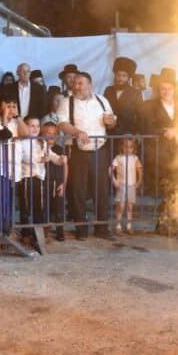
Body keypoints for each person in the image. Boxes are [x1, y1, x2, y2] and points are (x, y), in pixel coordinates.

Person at [57, 71, 117, 240]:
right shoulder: (66, 102)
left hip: (100, 151)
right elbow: (62, 123)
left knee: (101, 189)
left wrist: (111, 122)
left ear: (90, 85)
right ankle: (81, 229)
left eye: (81, 83)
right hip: (78, 152)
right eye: (75, 83)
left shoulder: (102, 100)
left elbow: (112, 121)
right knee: (78, 191)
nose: (77, 86)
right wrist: (77, 132)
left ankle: (102, 228)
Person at [140, 68, 178, 231]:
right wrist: (165, 132)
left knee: (177, 187)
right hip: (159, 154)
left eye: (169, 89)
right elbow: (146, 127)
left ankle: (170, 220)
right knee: (166, 188)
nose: (165, 92)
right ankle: (163, 222)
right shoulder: (150, 106)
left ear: (174, 90)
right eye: (162, 89)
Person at [15, 117, 63, 247]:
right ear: (26, 127)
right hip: (26, 178)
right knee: (25, 207)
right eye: (31, 126)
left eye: (37, 126)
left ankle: (37, 235)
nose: (35, 128)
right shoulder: (22, 142)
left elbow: (51, 155)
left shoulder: (42, 142)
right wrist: (40, 159)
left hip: (39, 179)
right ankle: (26, 233)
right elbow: (24, 158)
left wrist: (59, 159)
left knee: (39, 207)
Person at [40, 121, 69, 241]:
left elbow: (66, 167)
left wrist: (64, 184)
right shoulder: (40, 148)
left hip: (57, 183)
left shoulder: (60, 149)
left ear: (57, 135)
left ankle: (60, 231)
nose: (50, 136)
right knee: (44, 207)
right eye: (47, 133)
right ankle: (45, 230)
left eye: (53, 134)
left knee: (59, 208)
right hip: (45, 182)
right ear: (42, 134)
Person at [111, 137, 142, 235]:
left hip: (131, 185)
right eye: (126, 147)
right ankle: (118, 225)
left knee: (129, 206)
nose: (128, 149)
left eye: (130, 147)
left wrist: (139, 181)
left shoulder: (135, 158)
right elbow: (110, 169)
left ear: (133, 148)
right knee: (120, 206)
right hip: (122, 185)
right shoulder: (118, 158)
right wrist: (114, 180)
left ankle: (129, 226)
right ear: (122, 147)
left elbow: (139, 170)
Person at [104, 57, 139, 135]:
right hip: (110, 133)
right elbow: (104, 109)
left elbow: (140, 116)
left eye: (124, 76)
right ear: (115, 75)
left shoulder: (135, 93)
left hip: (127, 134)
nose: (120, 79)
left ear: (128, 78)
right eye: (118, 75)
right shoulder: (108, 90)